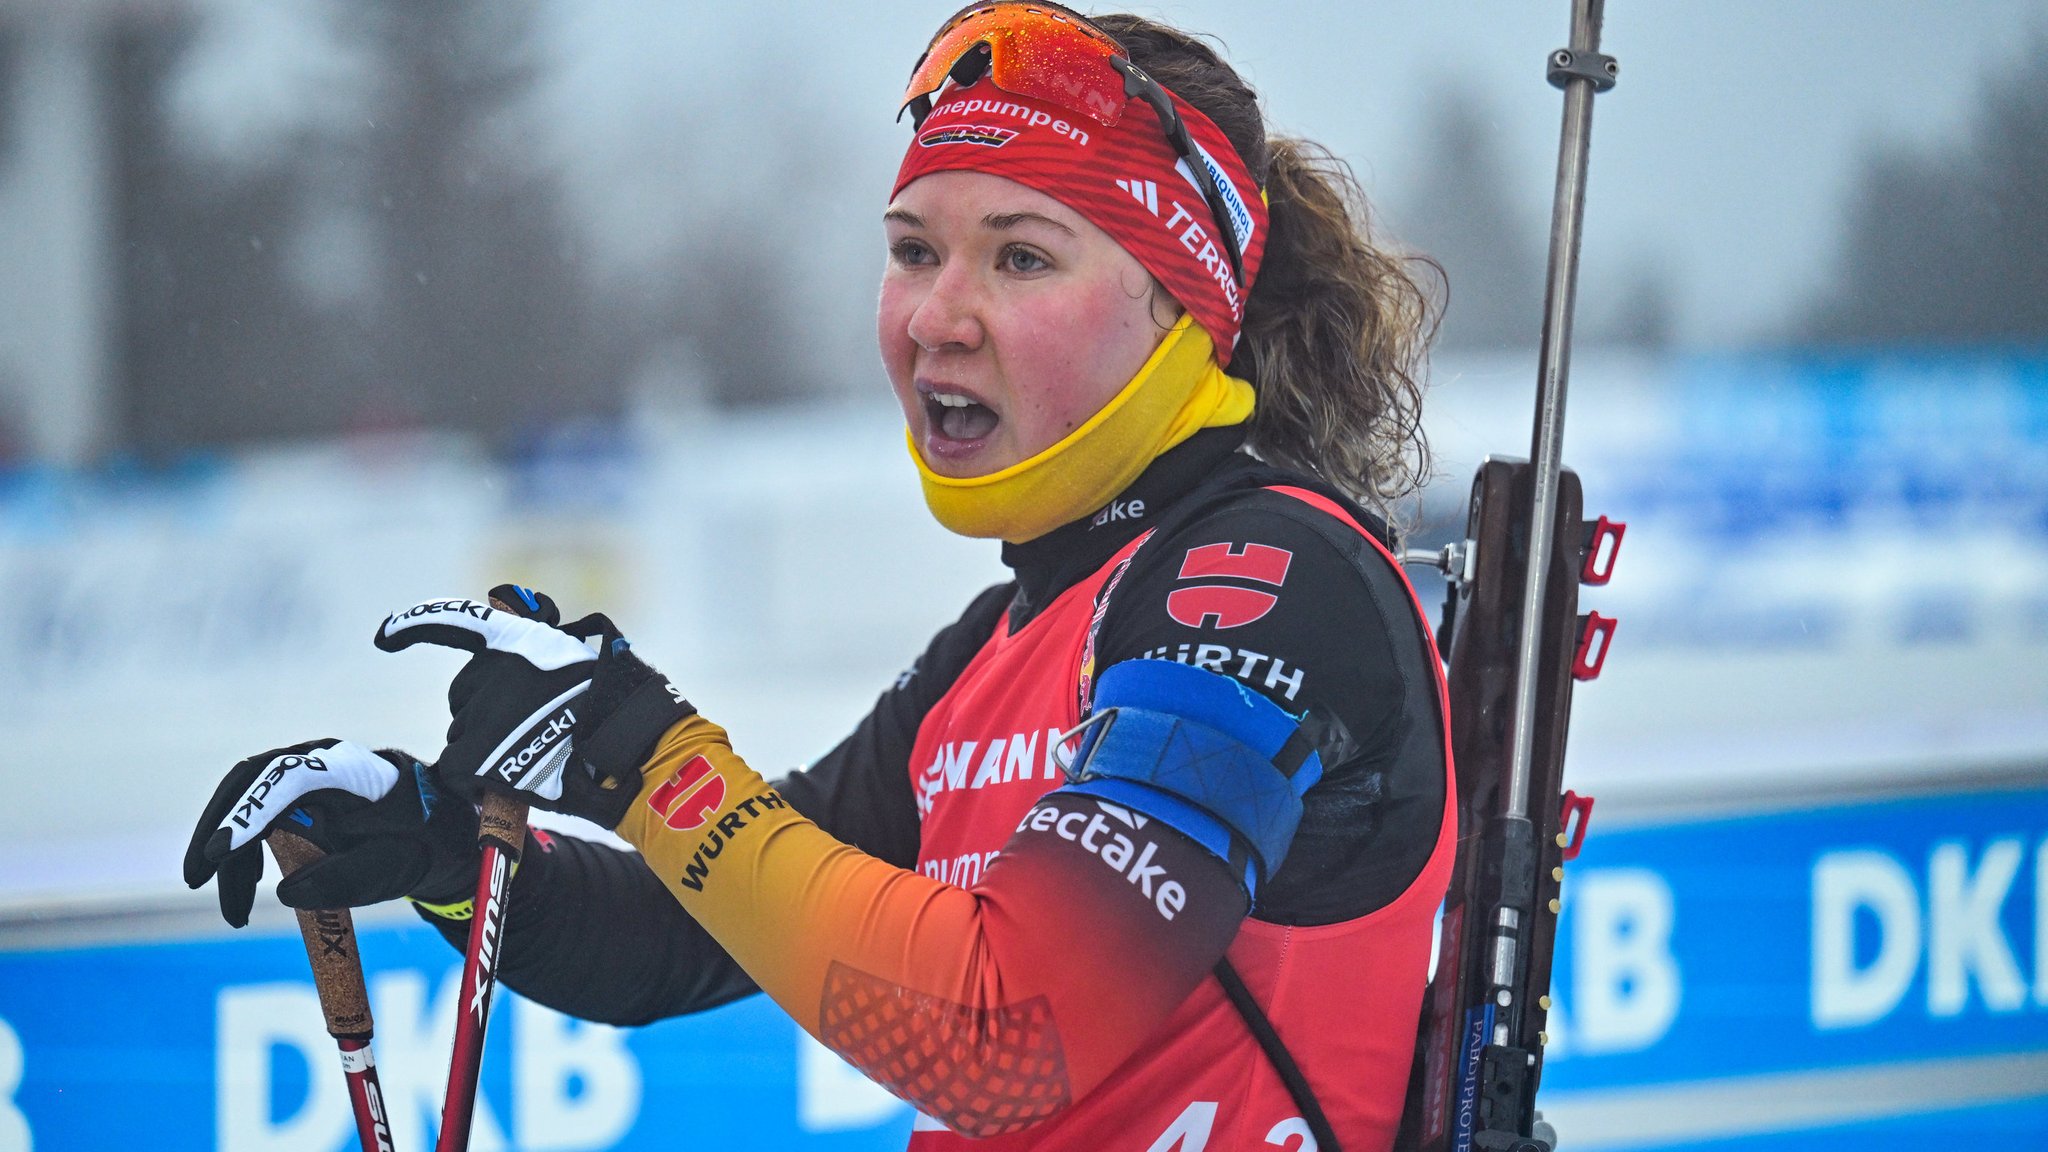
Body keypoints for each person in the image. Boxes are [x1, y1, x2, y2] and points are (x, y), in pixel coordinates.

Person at [185, 6, 1452, 1149]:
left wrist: (642, 750)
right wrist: (448, 854)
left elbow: (1005, 1036)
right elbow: (693, 926)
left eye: (1020, 258)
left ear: (1185, 306)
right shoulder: (1009, 636)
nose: (934, 316)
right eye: (912, 250)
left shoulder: (1260, 581)